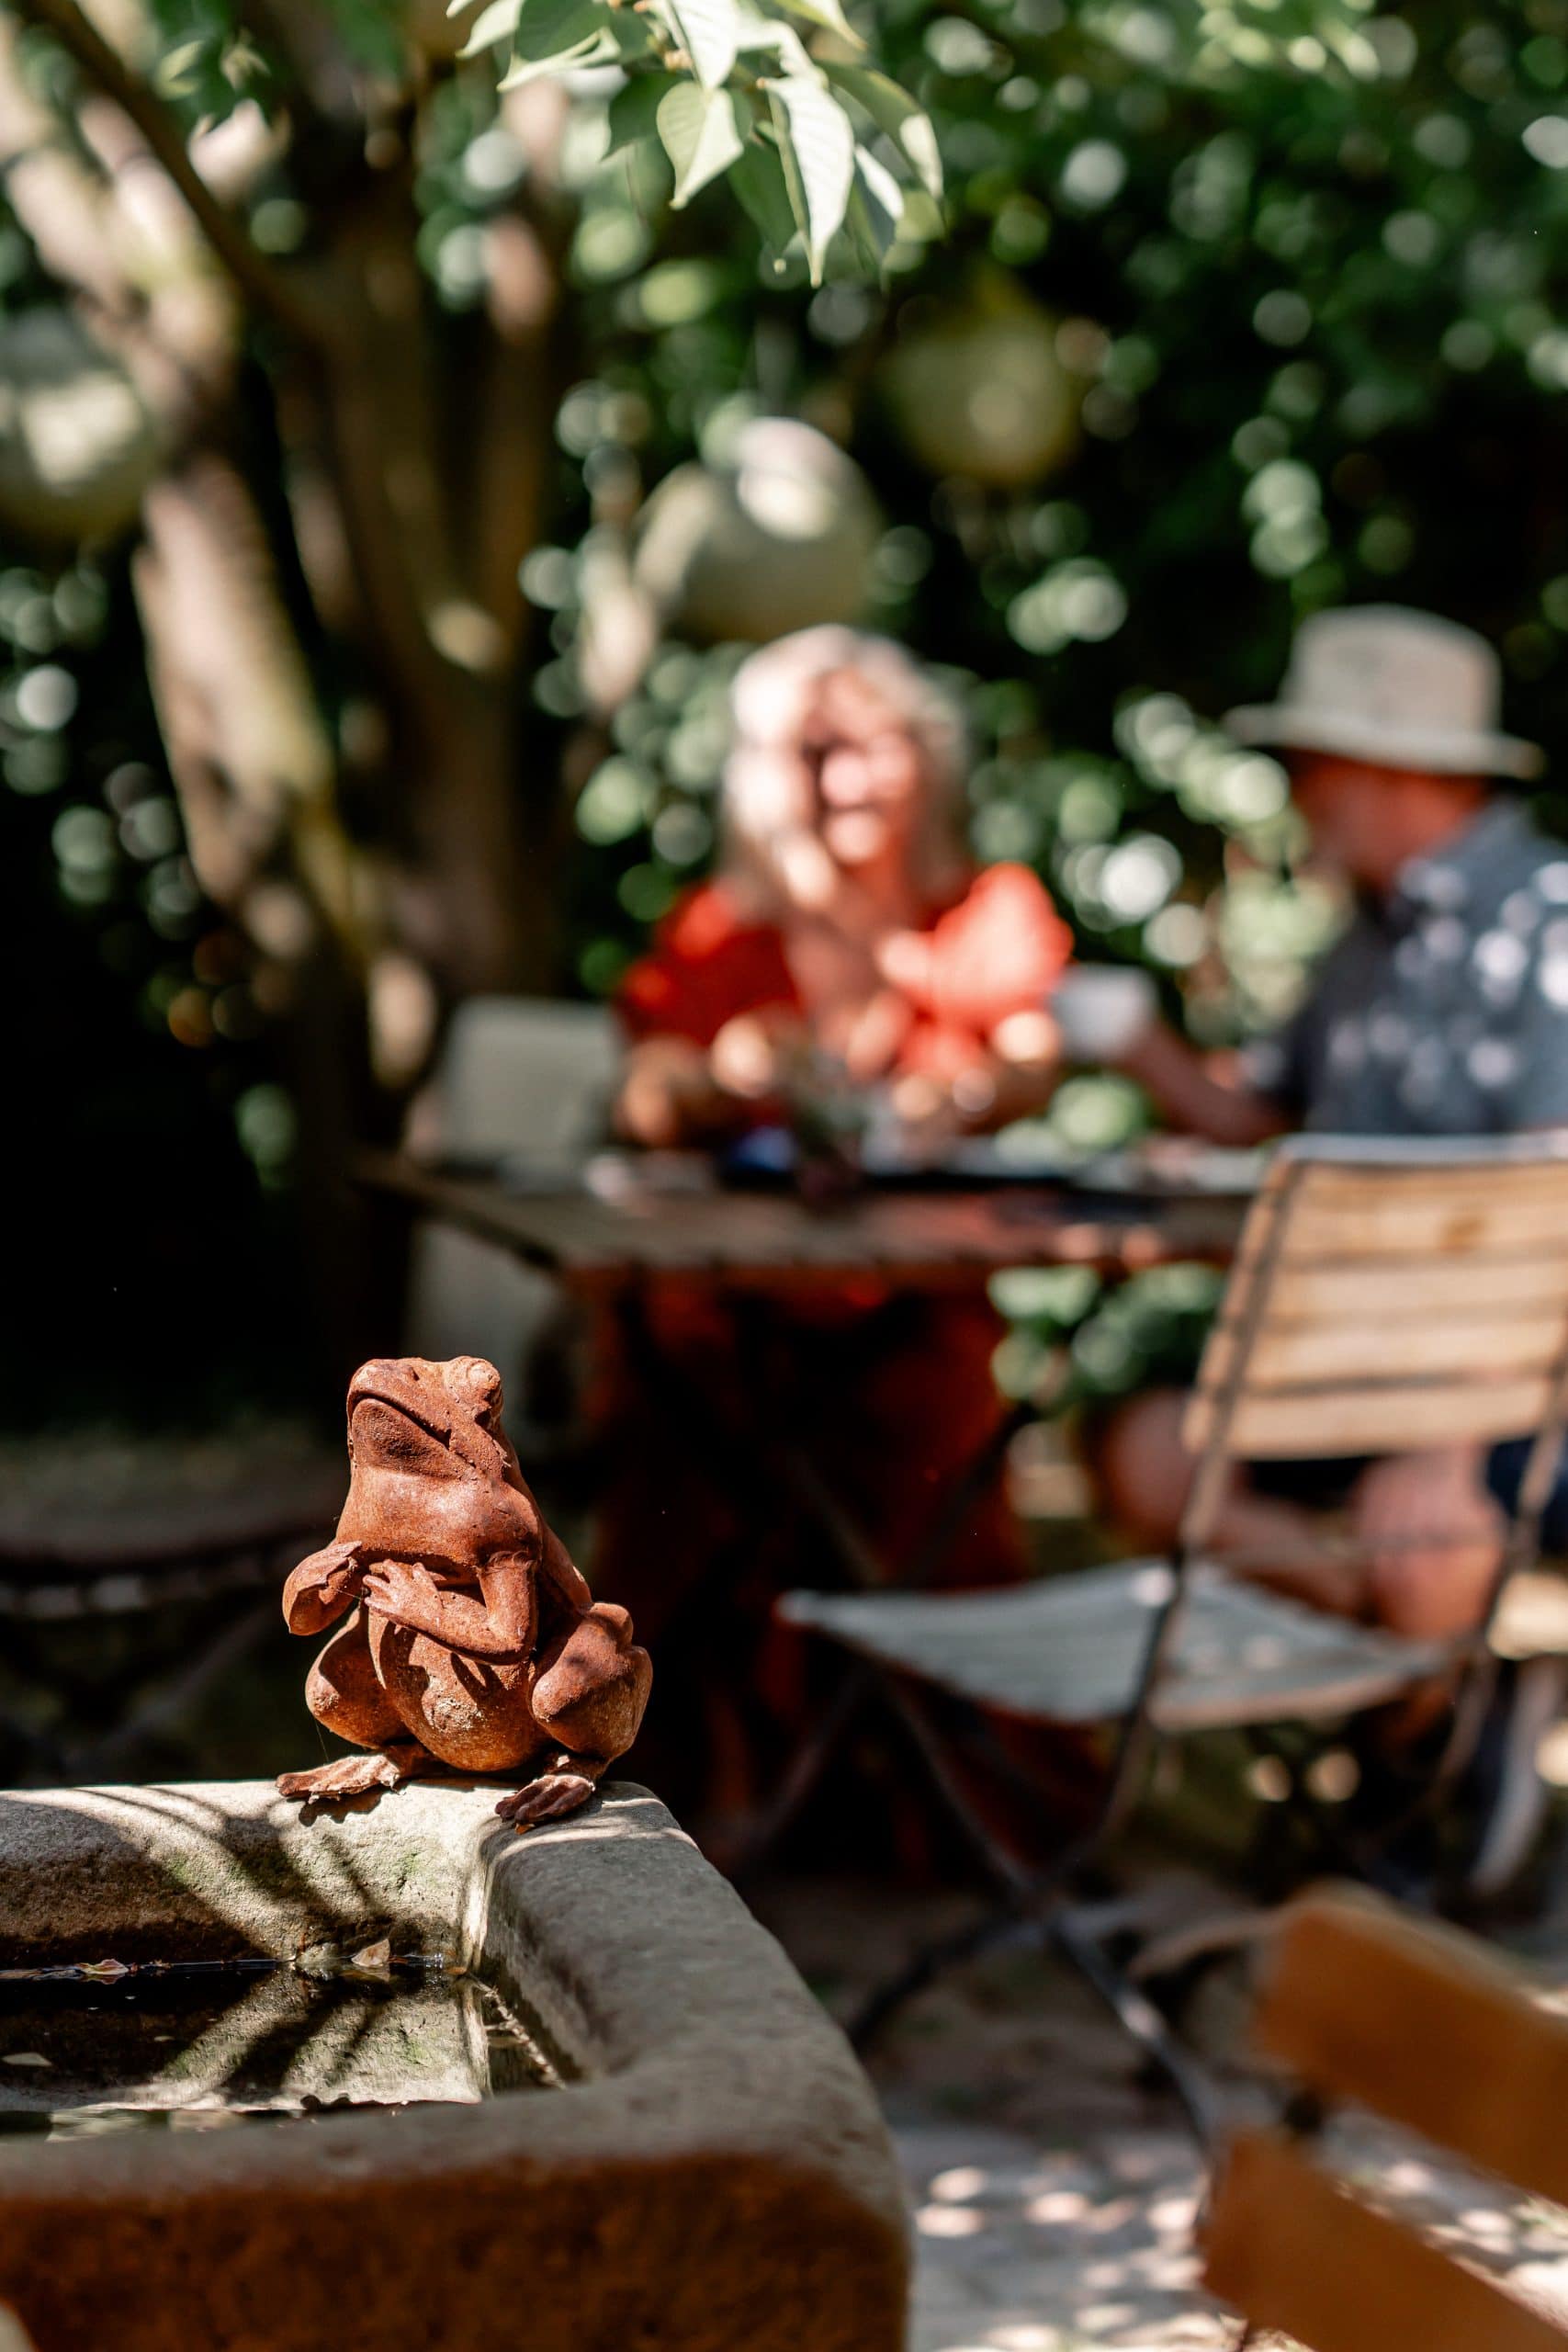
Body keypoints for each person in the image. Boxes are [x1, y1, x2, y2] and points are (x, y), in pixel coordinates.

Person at [598, 627, 1074, 1832]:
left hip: (910, 1305)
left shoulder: (976, 912)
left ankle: (916, 1783)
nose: (845, 781)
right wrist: (720, 1073)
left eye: (869, 747)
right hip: (735, 1305)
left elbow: (1032, 1053)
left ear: (922, 756)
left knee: (926, 1421)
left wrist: (957, 1093)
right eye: (812, 753)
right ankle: (693, 1770)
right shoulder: (722, 928)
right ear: (764, 774)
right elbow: (642, 1096)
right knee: (684, 1402)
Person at [1094, 605, 1568, 1643]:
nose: (1297, 797)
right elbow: (1257, 1119)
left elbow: (1554, 1212)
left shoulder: (1550, 922)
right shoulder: (1364, 936)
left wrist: (1450, 1439)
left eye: (1310, 766)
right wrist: (1136, 1045)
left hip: (1507, 1396)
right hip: (1347, 1374)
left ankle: (1419, 1766)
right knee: (1147, 1455)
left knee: (1433, 1542)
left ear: (1390, 768)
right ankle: (1386, 1664)